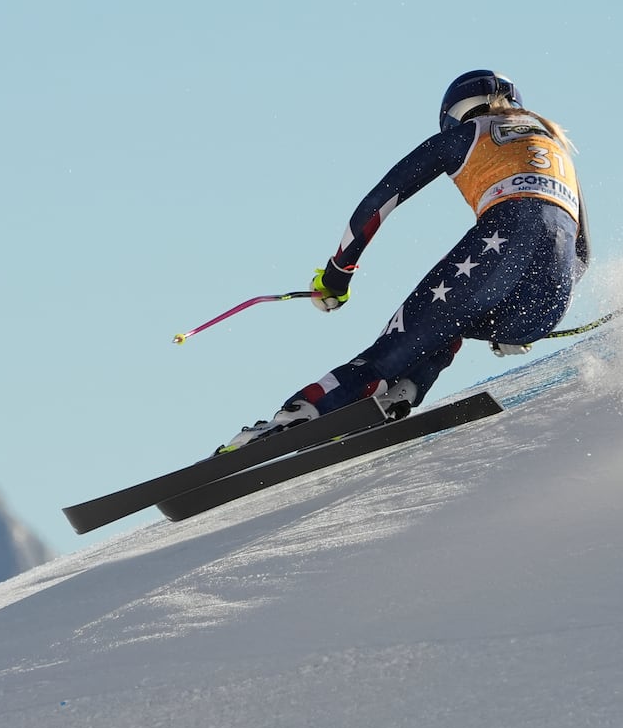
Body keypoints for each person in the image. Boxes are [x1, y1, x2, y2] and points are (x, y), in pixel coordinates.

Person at [220, 69, 589, 453]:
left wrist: (337, 275)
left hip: (501, 246)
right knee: (449, 323)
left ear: (454, 112)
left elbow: (377, 204)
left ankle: (293, 418)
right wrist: (525, 320)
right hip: (548, 299)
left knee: (393, 348)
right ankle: (402, 393)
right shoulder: (558, 149)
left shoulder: (467, 134)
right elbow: (581, 255)